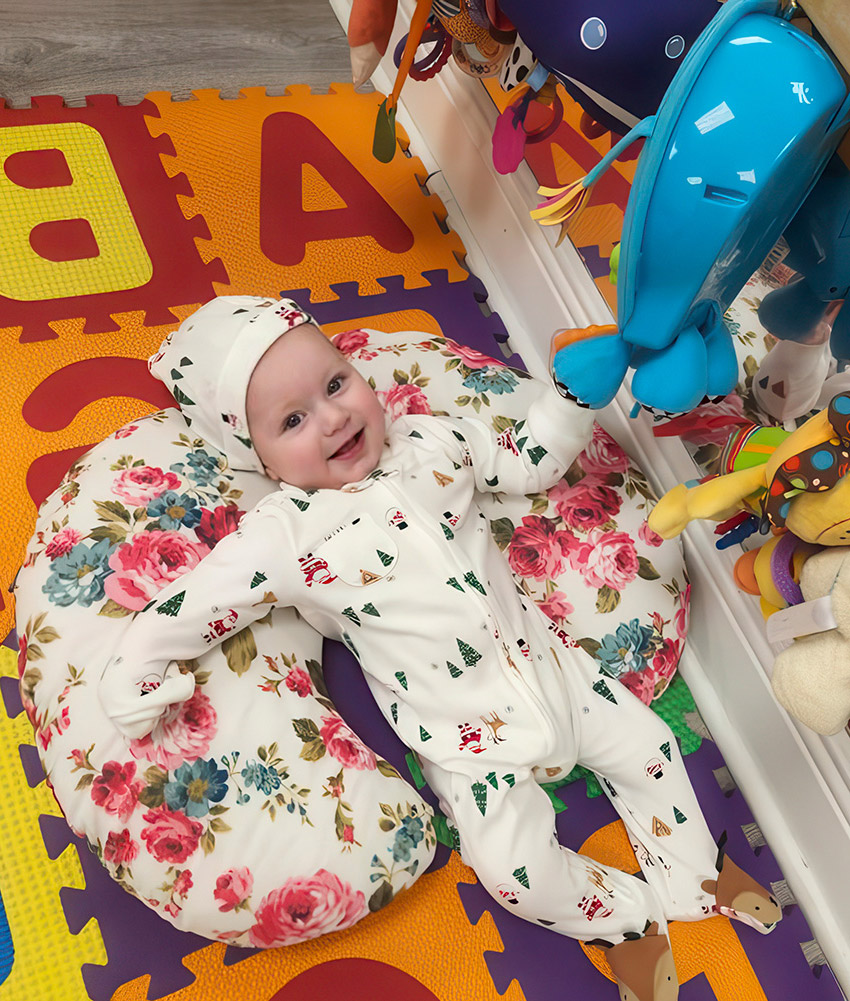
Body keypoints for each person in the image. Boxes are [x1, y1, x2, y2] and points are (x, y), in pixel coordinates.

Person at [99, 295, 782, 1001]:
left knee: (651, 750)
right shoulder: (286, 532)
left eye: (336, 384)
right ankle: (623, 919)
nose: (332, 418)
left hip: (554, 671)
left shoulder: (430, 442)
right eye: (293, 421)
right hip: (464, 739)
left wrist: (571, 398)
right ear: (260, 456)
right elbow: (196, 603)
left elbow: (525, 464)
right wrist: (137, 665)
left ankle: (695, 873)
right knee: (513, 870)